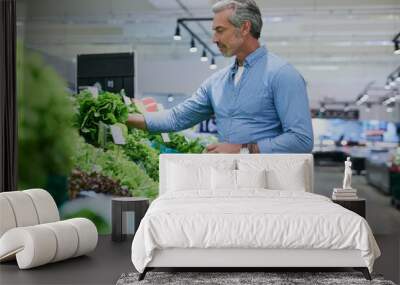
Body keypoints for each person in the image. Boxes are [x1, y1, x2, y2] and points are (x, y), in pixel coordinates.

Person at [127, 0, 313, 154]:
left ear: (245, 27)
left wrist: (242, 150)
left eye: (220, 30)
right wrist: (124, 117)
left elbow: (301, 140)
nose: (214, 39)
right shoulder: (217, 82)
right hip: (227, 182)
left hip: (271, 186)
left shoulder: (282, 75)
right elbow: (176, 118)